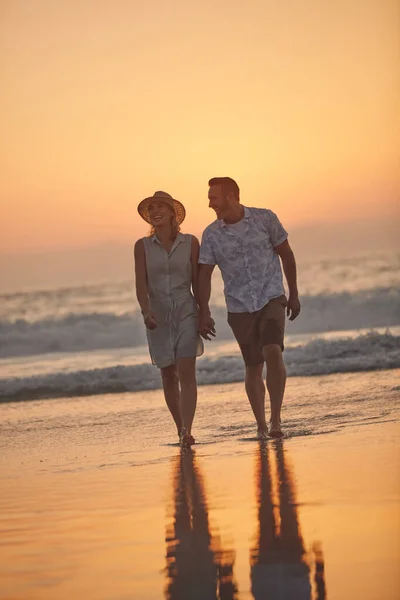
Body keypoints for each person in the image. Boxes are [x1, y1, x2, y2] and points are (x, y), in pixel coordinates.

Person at [197, 177, 300, 438]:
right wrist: (204, 311)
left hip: (271, 297)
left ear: (231, 196)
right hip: (240, 306)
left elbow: (286, 255)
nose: (210, 204)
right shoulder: (211, 235)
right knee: (253, 365)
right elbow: (204, 275)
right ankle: (261, 425)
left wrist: (294, 293)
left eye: (214, 198)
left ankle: (276, 420)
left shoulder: (265, 219)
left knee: (273, 352)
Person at [134, 190, 203, 447]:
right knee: (167, 373)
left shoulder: (191, 243)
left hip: (186, 309)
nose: (155, 212)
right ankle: (179, 427)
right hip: (157, 314)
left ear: (174, 213)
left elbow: (198, 282)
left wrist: (204, 312)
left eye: (160, 207)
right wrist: (145, 310)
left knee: (186, 370)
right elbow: (141, 283)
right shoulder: (141, 246)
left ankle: (187, 429)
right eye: (151, 209)